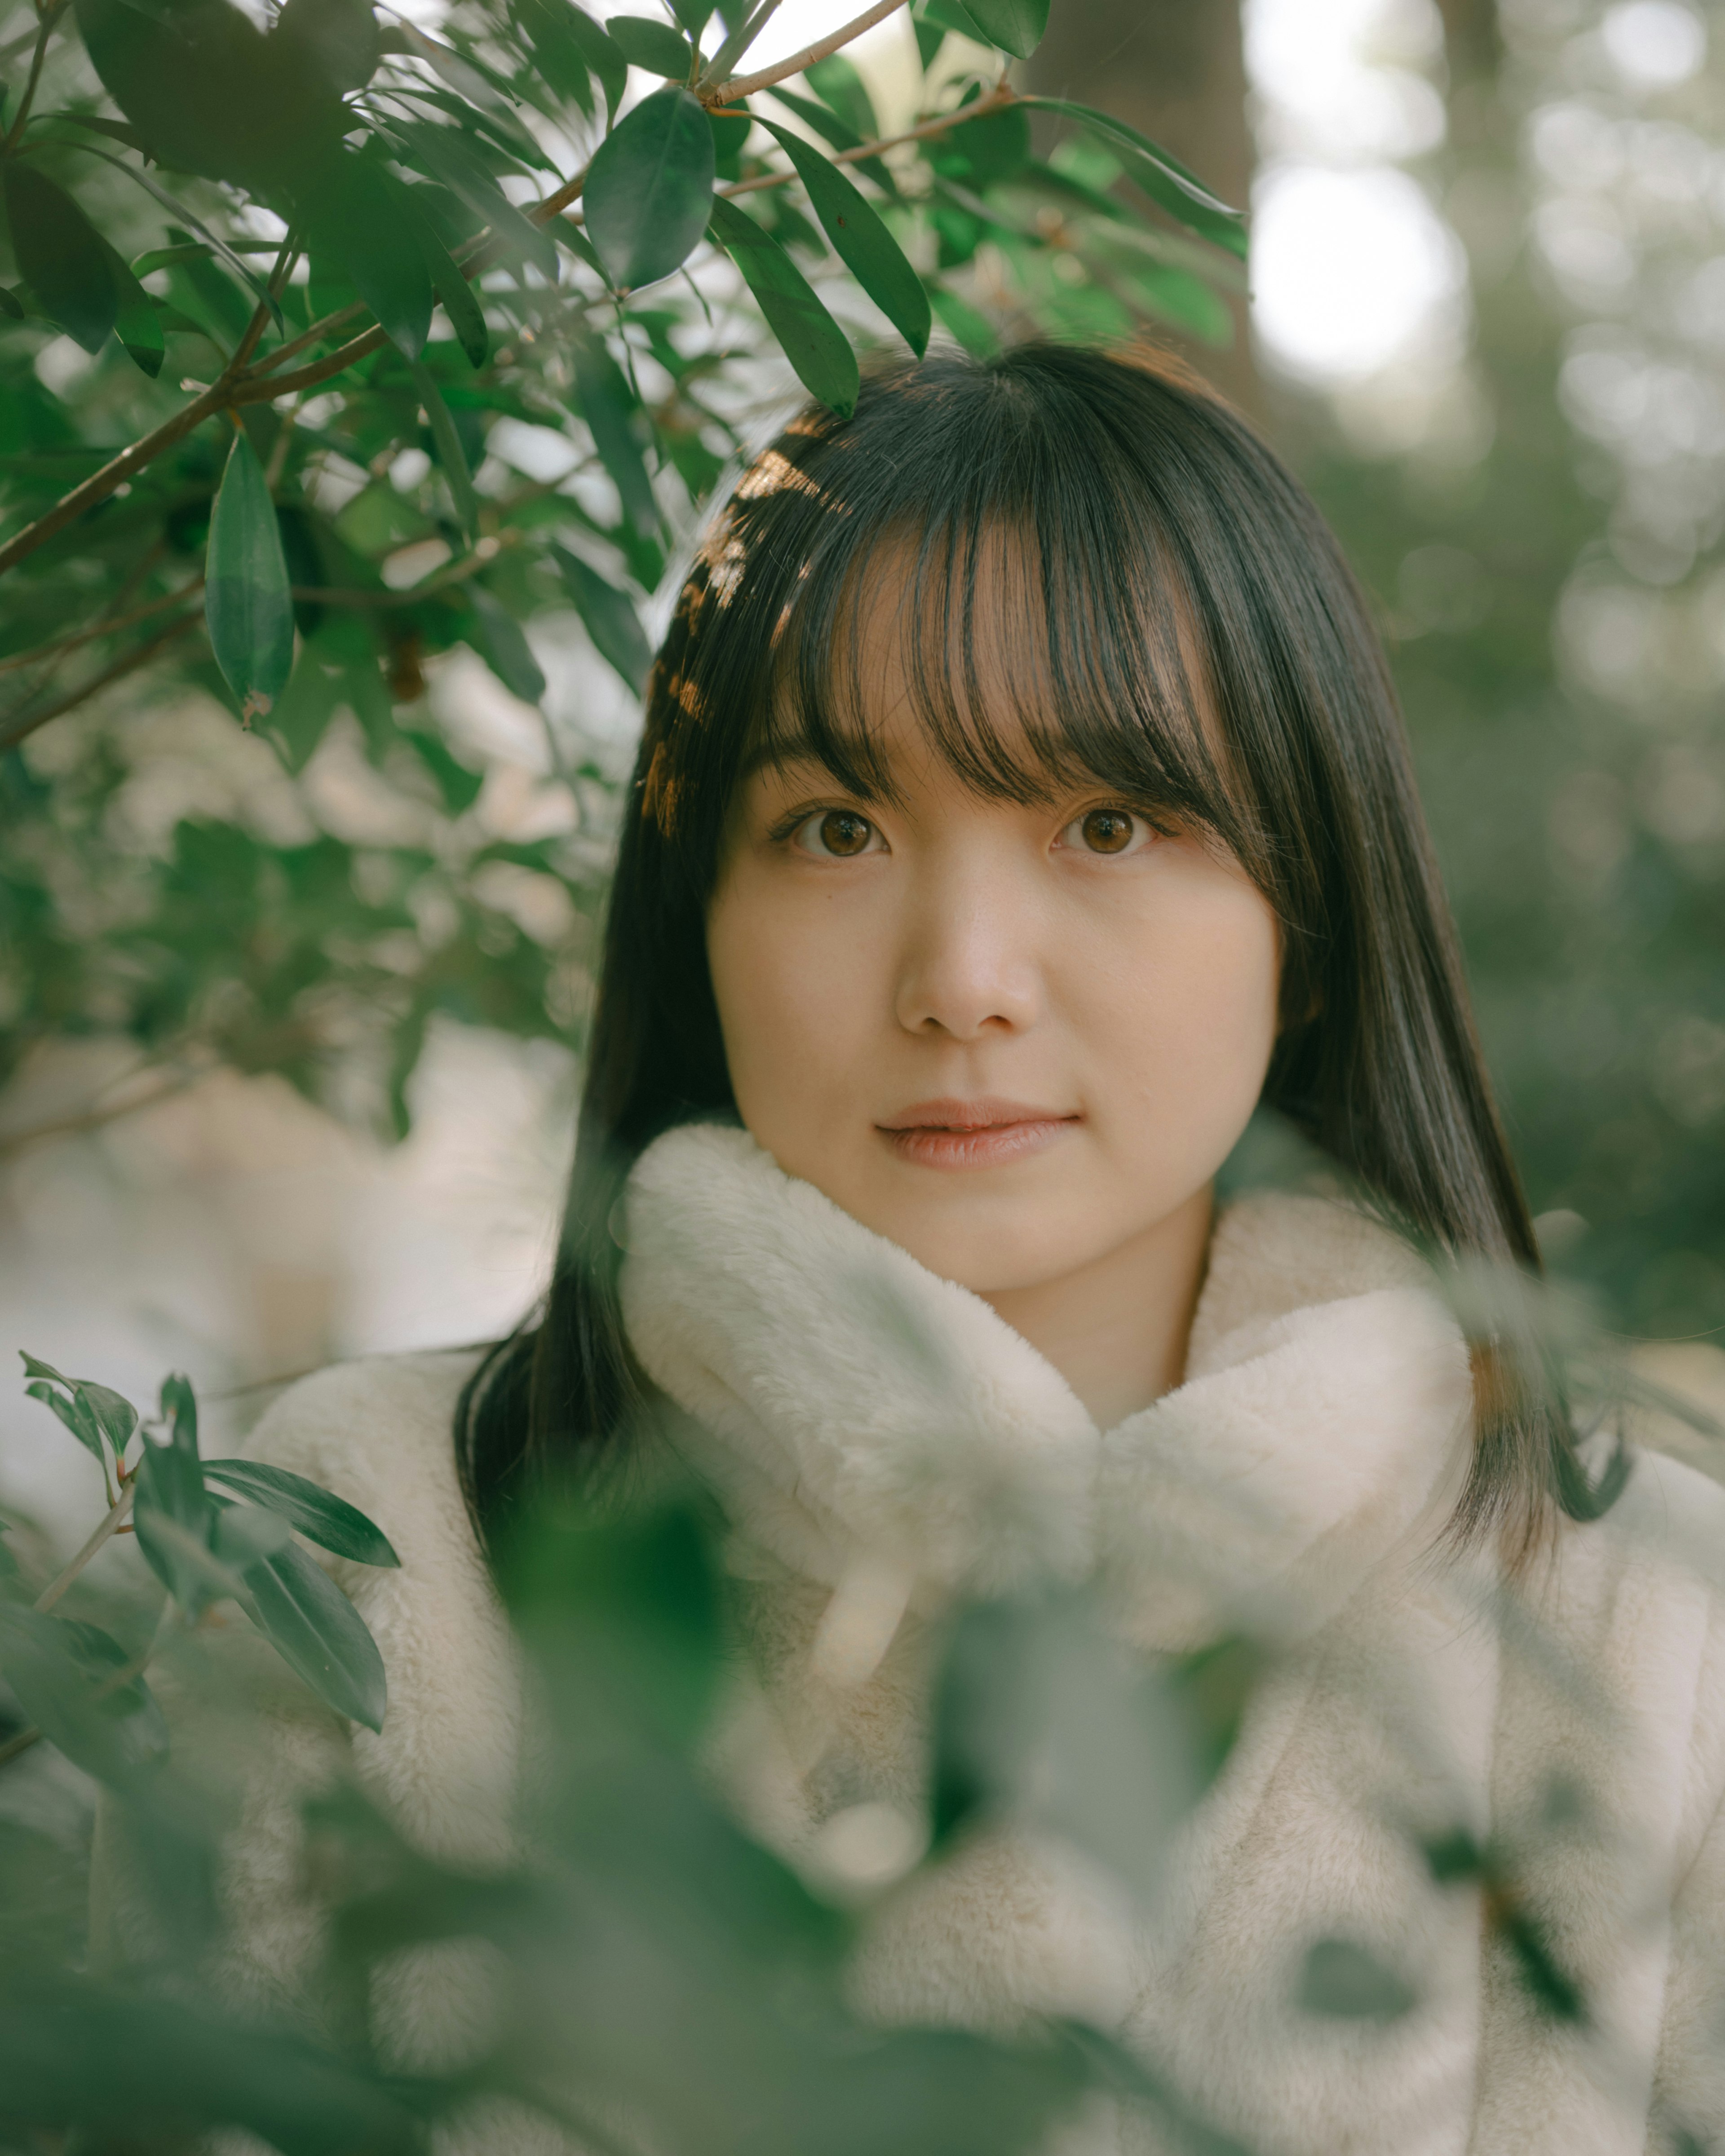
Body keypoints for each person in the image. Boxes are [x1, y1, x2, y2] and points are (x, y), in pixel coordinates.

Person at [115, 345, 1725, 2152]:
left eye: (1106, 823)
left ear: (1314, 913)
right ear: (692, 918)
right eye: (835, 827)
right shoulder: (358, 1537)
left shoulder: (1651, 1617)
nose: (962, 980)